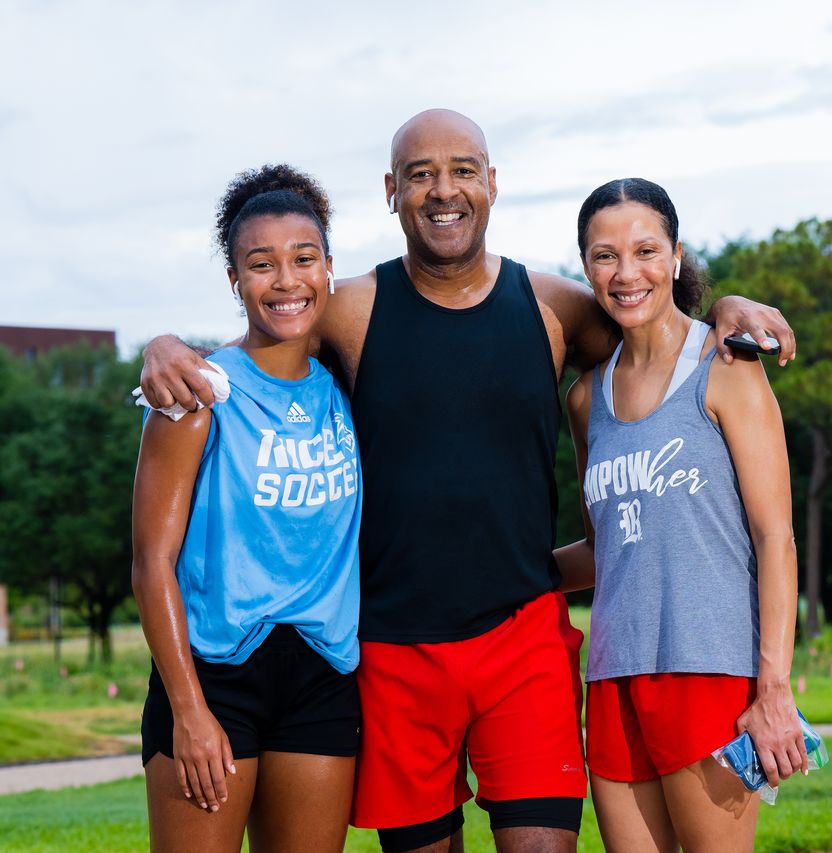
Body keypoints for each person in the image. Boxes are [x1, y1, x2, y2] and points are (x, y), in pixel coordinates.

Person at [138, 109, 796, 853]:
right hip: (394, 646)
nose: (443, 189)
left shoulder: (553, 307)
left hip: (523, 640)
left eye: (462, 170)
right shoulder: (350, 308)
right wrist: (167, 348)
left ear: (492, 183)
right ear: (392, 190)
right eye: (420, 174)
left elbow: (654, 323)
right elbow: (263, 341)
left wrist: (724, 309)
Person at [564, 177, 804, 852]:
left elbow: (775, 536)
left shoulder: (726, 367)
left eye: (645, 250)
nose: (626, 272)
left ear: (675, 256)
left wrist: (773, 687)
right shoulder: (585, 399)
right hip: (613, 675)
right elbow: (605, 548)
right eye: (605, 255)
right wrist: (503, 573)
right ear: (586, 267)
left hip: (710, 671)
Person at [131, 164, 362, 853]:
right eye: (262, 265)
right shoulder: (197, 396)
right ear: (235, 281)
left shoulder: (349, 383)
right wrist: (189, 710)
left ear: (328, 268)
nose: (287, 280)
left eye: (304, 259)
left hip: (323, 676)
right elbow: (151, 562)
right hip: (213, 678)